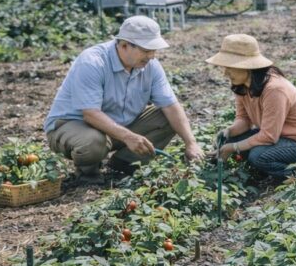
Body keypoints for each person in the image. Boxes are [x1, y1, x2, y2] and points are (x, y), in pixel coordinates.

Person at [45, 16, 204, 185]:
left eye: (154, 50)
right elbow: (90, 114)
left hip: (118, 126)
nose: (151, 56)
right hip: (74, 124)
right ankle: (87, 174)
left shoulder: (151, 65)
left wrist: (191, 143)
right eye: (146, 50)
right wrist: (129, 137)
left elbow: (171, 106)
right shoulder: (92, 62)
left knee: (167, 118)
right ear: (124, 45)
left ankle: (123, 164)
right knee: (92, 141)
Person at [206, 34, 296, 181]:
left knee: (258, 156)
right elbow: (244, 120)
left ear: (247, 66)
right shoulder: (242, 86)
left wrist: (232, 148)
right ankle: (267, 170)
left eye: (229, 67)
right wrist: (228, 132)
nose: (225, 73)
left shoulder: (275, 89)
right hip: (279, 136)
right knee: (231, 141)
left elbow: (269, 136)